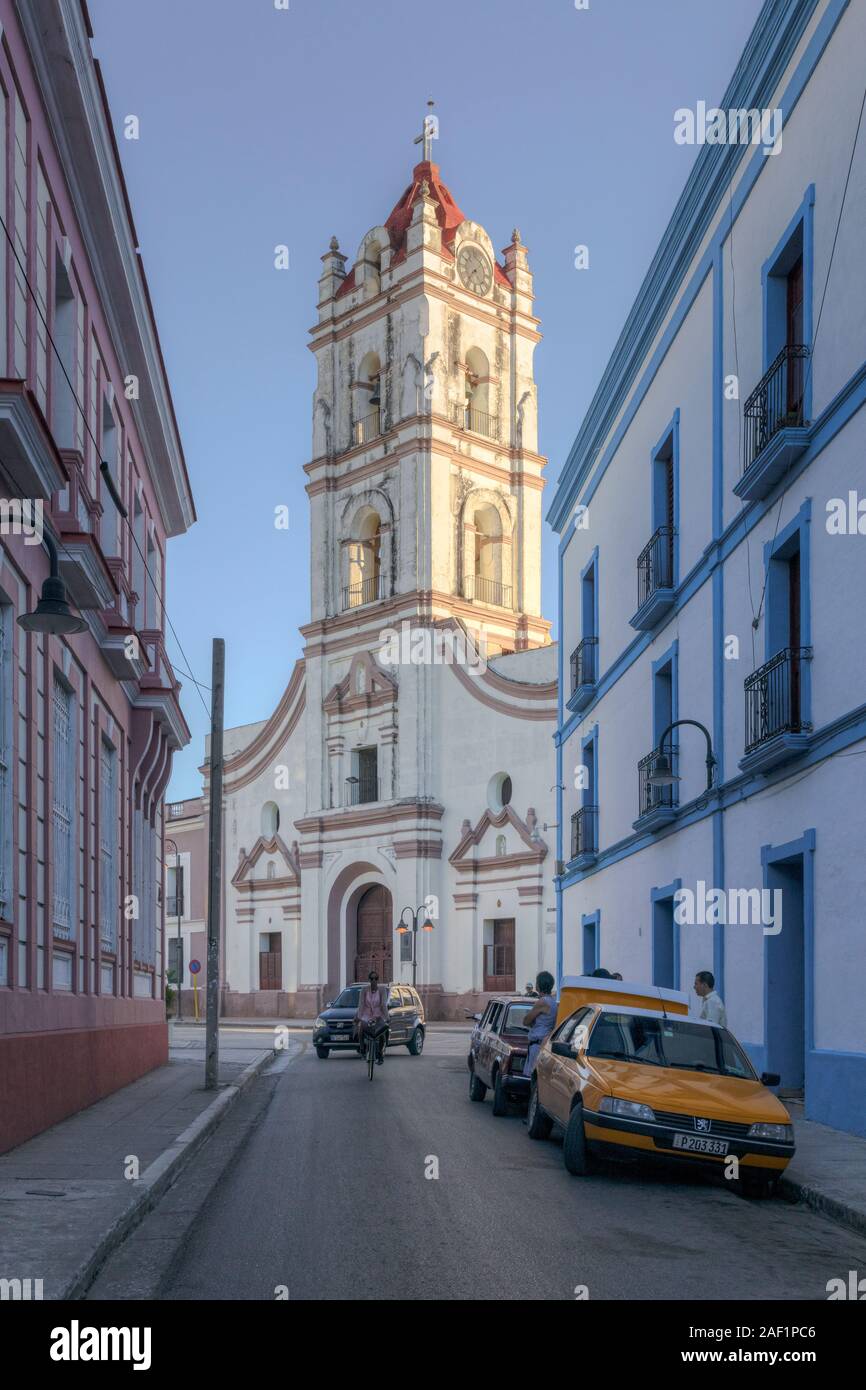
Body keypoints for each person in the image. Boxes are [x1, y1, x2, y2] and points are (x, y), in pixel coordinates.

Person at [523, 971, 558, 1076]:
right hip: (543, 1043)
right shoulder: (553, 1002)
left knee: (532, 1076)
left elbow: (526, 1021)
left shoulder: (542, 1002)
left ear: (539, 985)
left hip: (537, 1045)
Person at [355, 970, 391, 1064]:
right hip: (366, 1015)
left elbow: (383, 1005)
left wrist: (387, 1018)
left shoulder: (382, 990)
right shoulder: (364, 990)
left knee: (382, 1032)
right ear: (369, 980)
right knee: (361, 1028)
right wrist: (359, 1017)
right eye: (372, 979)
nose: (374, 980)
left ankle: (380, 1055)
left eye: (376, 978)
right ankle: (362, 1050)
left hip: (378, 1015)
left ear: (378, 980)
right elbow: (361, 1004)